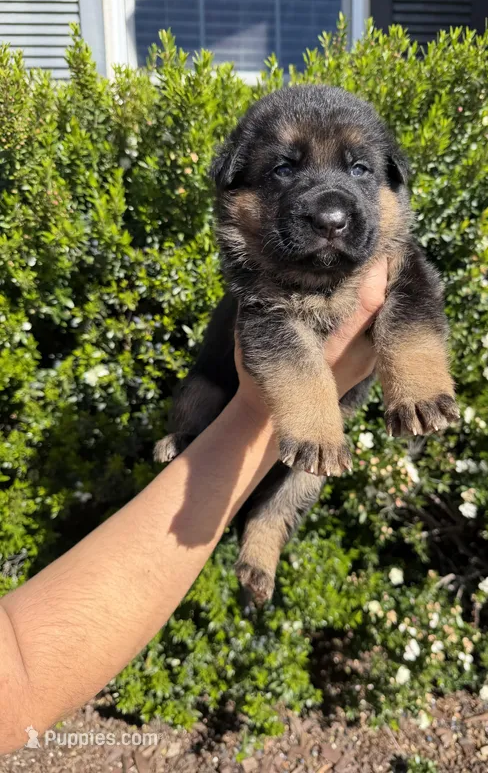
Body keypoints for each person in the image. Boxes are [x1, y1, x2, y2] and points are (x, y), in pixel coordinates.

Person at [0, 259, 388, 755]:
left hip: (310, 409)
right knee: (198, 398)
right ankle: (197, 450)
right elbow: (21, 682)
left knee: (304, 476)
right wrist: (262, 410)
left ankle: (262, 542)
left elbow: (22, 674)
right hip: (232, 387)